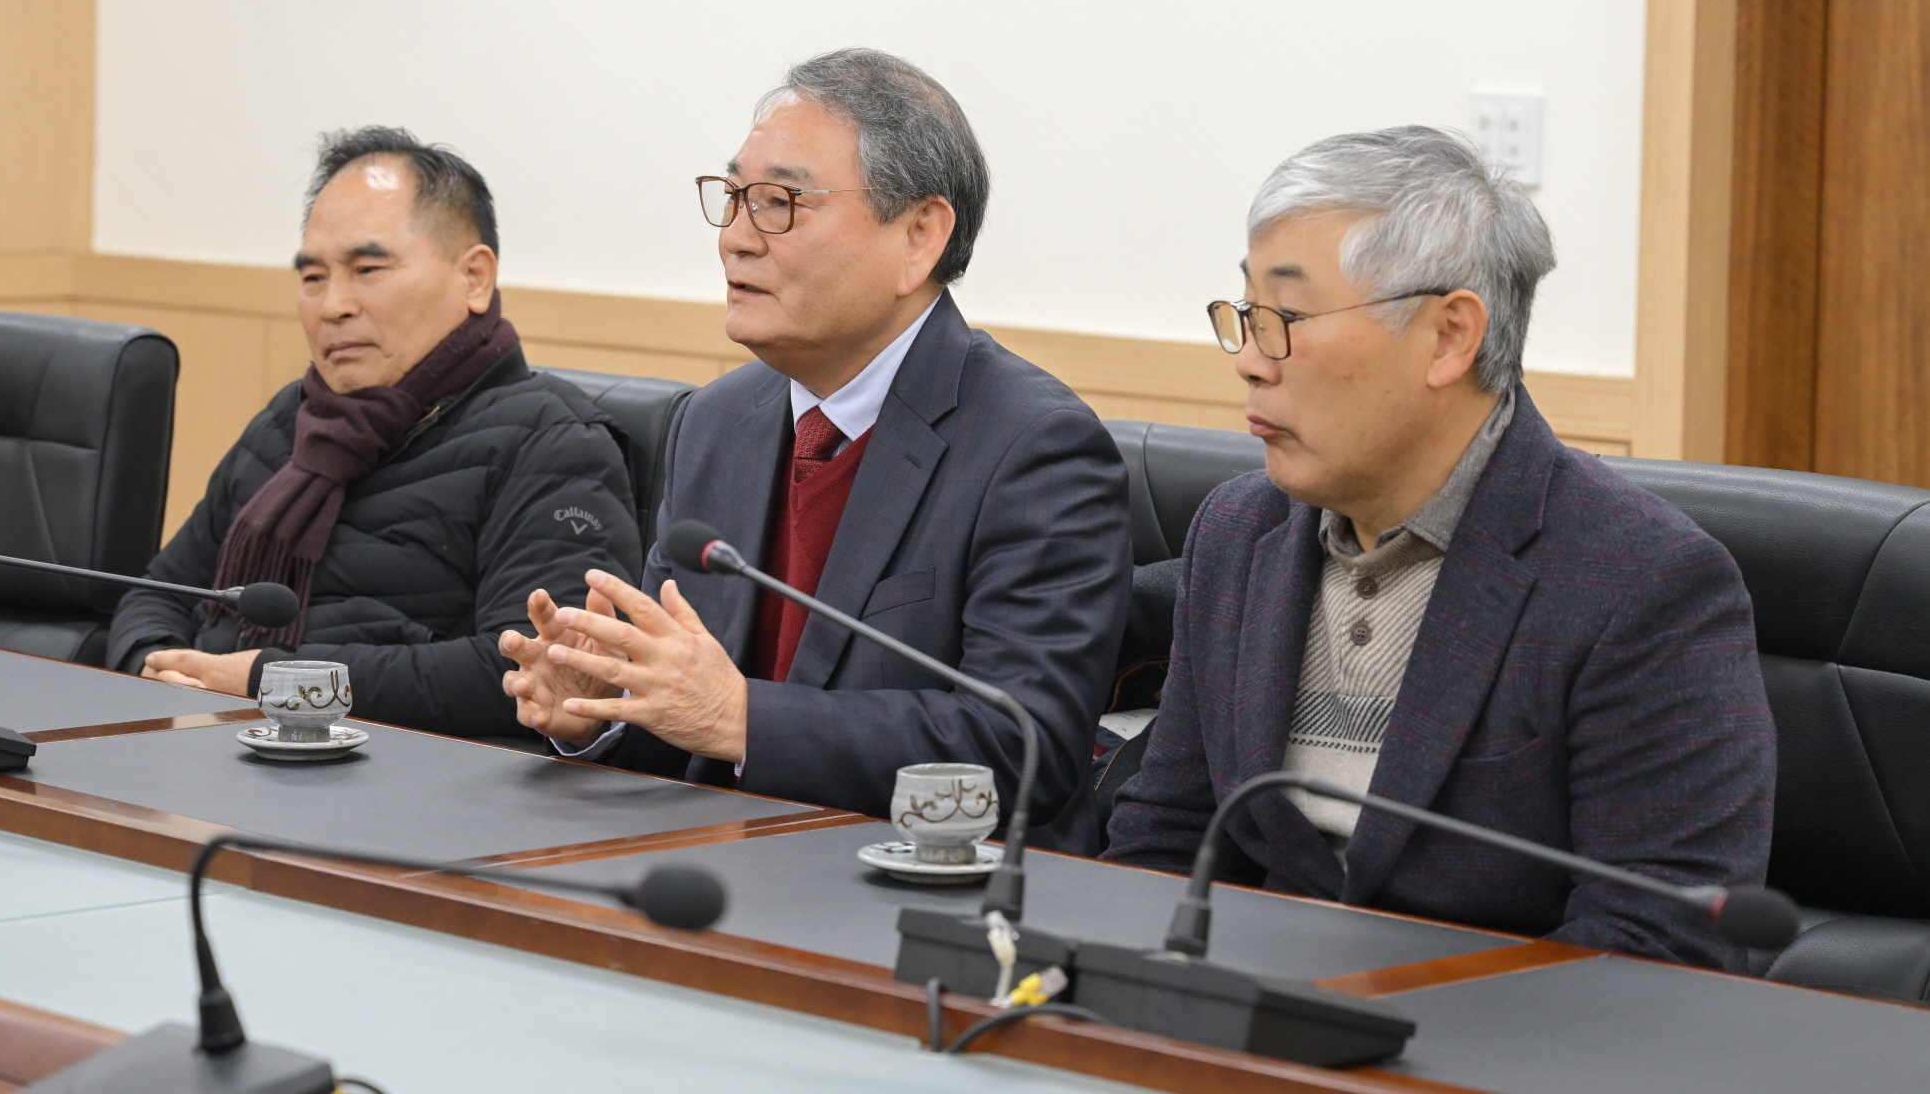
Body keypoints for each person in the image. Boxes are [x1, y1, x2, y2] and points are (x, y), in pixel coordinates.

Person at [1103, 126, 1776, 969]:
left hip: (1494, 1032)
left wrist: (1365, 1019)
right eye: (1244, 316)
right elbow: (1166, 838)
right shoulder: (1239, 532)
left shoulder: (1643, 584)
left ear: (1450, 336)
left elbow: (1659, 944)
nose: (1249, 361)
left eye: (1285, 319)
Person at [498, 49, 1130, 850]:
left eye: (780, 203)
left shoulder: (1035, 447)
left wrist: (744, 717)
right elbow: (690, 729)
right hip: (714, 869)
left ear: (919, 237)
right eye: (733, 198)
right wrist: (603, 710)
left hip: (916, 884)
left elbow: (1021, 748)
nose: (735, 240)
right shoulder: (716, 422)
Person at [107, 128, 641, 737]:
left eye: (367, 269)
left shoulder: (553, 441)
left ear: (474, 278)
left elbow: (529, 673)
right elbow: (155, 593)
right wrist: (154, 673)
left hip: (395, 774)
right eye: (313, 278)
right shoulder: (290, 423)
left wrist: (274, 683)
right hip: (209, 742)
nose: (333, 305)